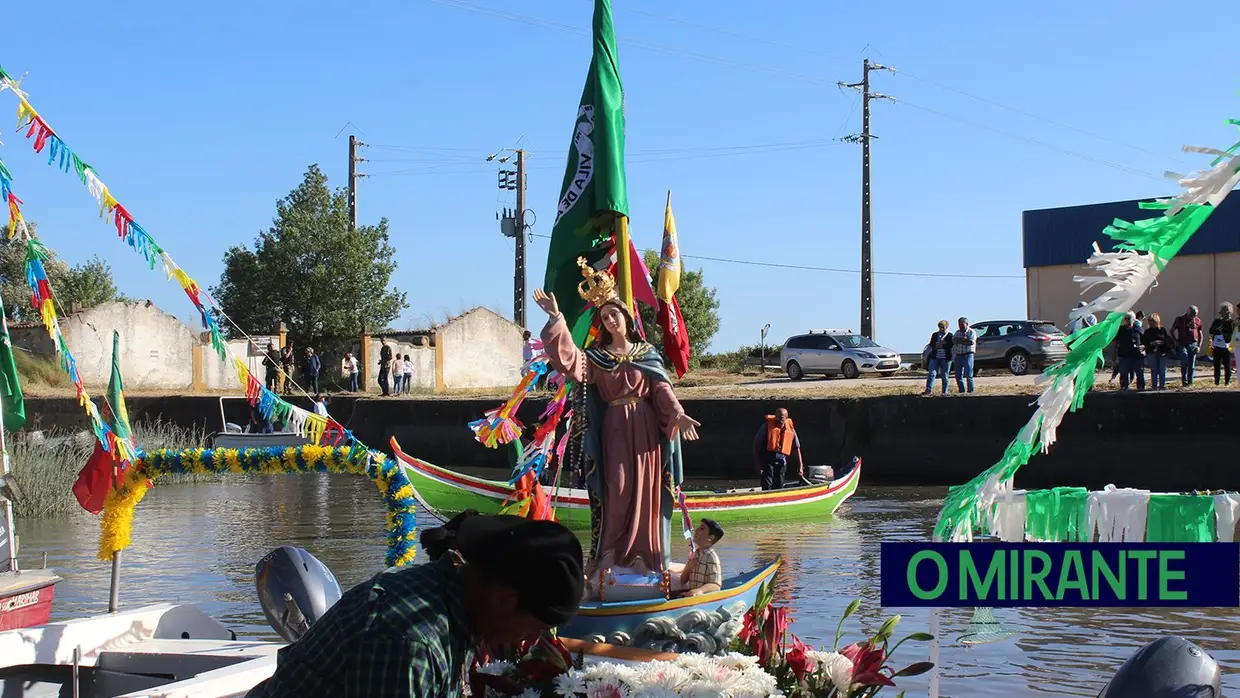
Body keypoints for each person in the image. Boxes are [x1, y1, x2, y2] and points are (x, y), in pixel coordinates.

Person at [246, 512, 584, 698]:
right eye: (536, 627)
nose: (530, 642)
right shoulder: (410, 641)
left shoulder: (450, 604)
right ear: (505, 599)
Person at [533, 265, 701, 581]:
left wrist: (677, 413)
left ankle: (643, 556)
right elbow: (570, 361)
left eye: (615, 315)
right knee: (618, 487)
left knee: (645, 490)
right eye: (606, 318)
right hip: (614, 428)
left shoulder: (646, 353)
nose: (611, 321)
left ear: (626, 317)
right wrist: (557, 319)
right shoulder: (598, 358)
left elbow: (661, 388)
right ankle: (609, 552)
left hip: (647, 429)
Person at [752, 408, 803, 491]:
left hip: (781, 461)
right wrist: (757, 463)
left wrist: (800, 466)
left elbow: (797, 448)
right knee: (767, 485)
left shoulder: (790, 430)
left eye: (781, 417)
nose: (778, 419)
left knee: (779, 486)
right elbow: (756, 445)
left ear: (786, 418)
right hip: (767, 461)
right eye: (777, 417)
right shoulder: (766, 427)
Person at [678, 519, 723, 597]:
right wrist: (688, 568)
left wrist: (700, 590)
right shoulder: (695, 554)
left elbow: (716, 585)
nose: (697, 530)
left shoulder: (711, 556)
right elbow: (683, 580)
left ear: (710, 537)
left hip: (704, 598)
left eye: (702, 528)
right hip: (691, 596)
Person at [1171, 306, 1203, 386]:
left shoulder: (1198, 320)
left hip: (1193, 344)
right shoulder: (1180, 319)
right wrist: (1176, 341)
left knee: (1191, 365)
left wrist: (1199, 345)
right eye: (1192, 314)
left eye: (1195, 315)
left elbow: (1200, 334)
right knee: (1184, 361)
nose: (1193, 316)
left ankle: (1190, 382)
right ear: (1188, 312)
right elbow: (1172, 331)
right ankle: (1184, 381)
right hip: (1182, 343)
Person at [1142, 313, 1173, 391]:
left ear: (1156, 321)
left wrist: (1162, 342)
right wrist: (1151, 343)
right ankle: (1154, 387)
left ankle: (1162, 386)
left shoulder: (1162, 330)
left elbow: (1168, 340)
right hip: (1151, 352)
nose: (1150, 323)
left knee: (1162, 370)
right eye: (1149, 321)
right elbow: (1144, 342)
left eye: (1152, 321)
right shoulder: (1147, 332)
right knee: (1154, 370)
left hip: (1162, 352)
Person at [1115, 312, 1145, 392]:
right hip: (1124, 355)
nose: (1127, 321)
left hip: (1137, 356)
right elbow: (1115, 341)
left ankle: (1141, 388)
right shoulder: (1121, 329)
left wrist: (1143, 347)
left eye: (1129, 319)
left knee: (1139, 373)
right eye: (1126, 319)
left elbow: (1145, 341)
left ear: (1133, 320)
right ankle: (1124, 387)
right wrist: (1115, 354)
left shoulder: (1138, 329)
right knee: (1124, 373)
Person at [923, 320, 953, 395]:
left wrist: (943, 345)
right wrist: (937, 345)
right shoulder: (935, 335)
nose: (941, 329)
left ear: (946, 327)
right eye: (940, 327)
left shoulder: (950, 335)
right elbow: (932, 344)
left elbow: (950, 345)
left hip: (945, 358)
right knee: (932, 373)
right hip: (935, 357)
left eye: (943, 327)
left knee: (944, 375)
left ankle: (944, 392)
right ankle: (928, 390)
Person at [1210, 302, 1235, 386]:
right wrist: (1218, 331)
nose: (1225, 315)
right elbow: (1211, 330)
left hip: (1226, 346)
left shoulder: (1232, 322)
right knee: (1216, 365)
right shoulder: (1217, 322)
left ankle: (1227, 382)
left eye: (1227, 313)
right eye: (1223, 313)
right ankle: (1216, 382)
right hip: (1217, 346)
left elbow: (1233, 334)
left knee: (1227, 365)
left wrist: (1224, 334)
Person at [951, 317, 977, 393]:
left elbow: (971, 342)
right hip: (958, 355)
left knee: (969, 375)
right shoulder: (957, 332)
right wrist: (964, 339)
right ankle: (961, 391)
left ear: (966, 324)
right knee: (958, 376)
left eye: (962, 325)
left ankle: (970, 391)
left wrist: (960, 340)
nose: (960, 326)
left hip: (968, 355)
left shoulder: (972, 332)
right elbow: (954, 341)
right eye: (959, 325)